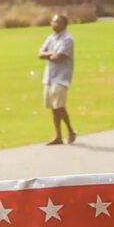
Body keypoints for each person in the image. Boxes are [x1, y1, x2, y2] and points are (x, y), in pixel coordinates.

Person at [38, 13, 77, 144]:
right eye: (53, 21)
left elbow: (58, 58)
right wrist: (51, 54)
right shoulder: (51, 38)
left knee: (59, 106)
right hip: (49, 76)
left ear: (64, 24)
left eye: (57, 22)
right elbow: (40, 53)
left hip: (61, 77)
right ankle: (58, 136)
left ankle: (70, 130)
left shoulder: (68, 39)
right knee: (53, 108)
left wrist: (48, 55)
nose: (53, 24)